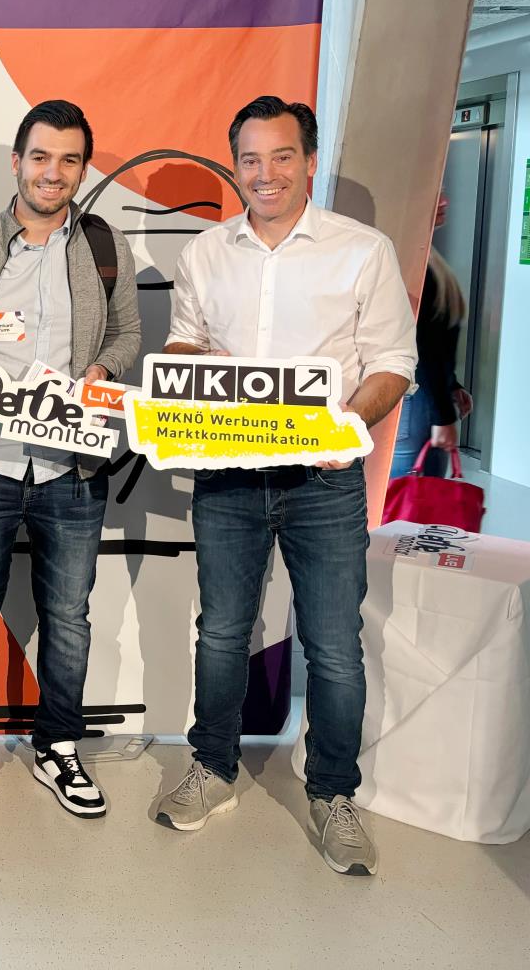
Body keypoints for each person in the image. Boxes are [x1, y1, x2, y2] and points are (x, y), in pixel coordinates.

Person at [154, 96, 416, 877]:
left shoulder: (362, 250)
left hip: (323, 483)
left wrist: (345, 427)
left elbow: (393, 363)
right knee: (221, 632)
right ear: (234, 165)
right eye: (250, 159)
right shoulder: (206, 253)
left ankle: (333, 794)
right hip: (227, 473)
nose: (264, 174)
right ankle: (214, 769)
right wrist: (190, 374)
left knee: (333, 645)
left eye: (281, 156)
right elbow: (184, 343)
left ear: (309, 160)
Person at [0, 99, 141, 818]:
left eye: (70, 160)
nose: (53, 172)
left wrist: (102, 371)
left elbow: (128, 333)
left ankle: (58, 746)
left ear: (83, 169)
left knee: (69, 618)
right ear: (18, 161)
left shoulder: (104, 245)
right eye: (41, 156)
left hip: (70, 469)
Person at [390, 192, 471, 478]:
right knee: (414, 497)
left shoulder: (427, 261)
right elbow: (421, 352)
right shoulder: (415, 268)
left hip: (418, 402)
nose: (445, 202)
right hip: (418, 403)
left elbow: (435, 343)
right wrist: (443, 417)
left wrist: (452, 384)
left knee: (410, 494)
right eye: (436, 194)